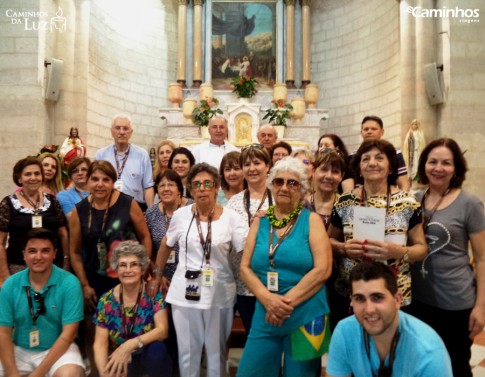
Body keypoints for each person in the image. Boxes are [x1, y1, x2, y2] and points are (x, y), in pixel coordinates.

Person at [236, 157, 332, 377]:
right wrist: (268, 300)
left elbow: (323, 270)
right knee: (251, 372)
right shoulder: (259, 222)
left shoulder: (313, 220)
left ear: (304, 190)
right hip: (267, 309)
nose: (284, 187)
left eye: (293, 183)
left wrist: (284, 304)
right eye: (279, 181)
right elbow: (245, 267)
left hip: (306, 312)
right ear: (271, 186)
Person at [153, 163, 248, 377]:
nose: (202, 188)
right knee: (187, 352)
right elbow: (166, 245)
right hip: (184, 292)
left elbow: (246, 251)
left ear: (216, 188)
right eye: (197, 184)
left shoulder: (232, 218)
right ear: (190, 189)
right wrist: (157, 276)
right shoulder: (181, 215)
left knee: (217, 353)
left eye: (207, 183)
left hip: (220, 293)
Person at [328, 139, 427, 329]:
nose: (372, 163)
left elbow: (421, 249)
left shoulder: (408, 203)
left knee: (391, 351)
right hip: (352, 290)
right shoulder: (345, 201)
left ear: (390, 167)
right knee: (353, 348)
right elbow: (328, 240)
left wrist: (397, 251)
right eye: (366, 159)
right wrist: (343, 248)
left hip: (394, 291)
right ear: (359, 168)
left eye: (379, 158)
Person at [69, 160, 152, 377]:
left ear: (113, 182)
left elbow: (145, 236)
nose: (100, 184)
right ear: (87, 181)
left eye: (106, 180)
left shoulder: (127, 203)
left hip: (126, 279)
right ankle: (99, 373)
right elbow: (75, 252)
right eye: (95, 179)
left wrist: (143, 270)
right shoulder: (80, 211)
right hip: (94, 282)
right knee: (92, 331)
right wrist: (84, 285)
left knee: (124, 329)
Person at [410, 138, 485, 377]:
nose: (438, 168)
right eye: (432, 161)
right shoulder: (414, 200)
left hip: (454, 301)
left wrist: (481, 307)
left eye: (446, 163)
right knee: (421, 362)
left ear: (456, 169)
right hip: (416, 299)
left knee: (454, 364)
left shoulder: (469, 204)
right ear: (423, 166)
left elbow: (482, 258)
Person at [325, 261, 452, 377]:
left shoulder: (428, 351)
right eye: (360, 299)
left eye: (377, 297)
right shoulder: (344, 331)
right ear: (351, 301)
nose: (369, 309)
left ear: (397, 300)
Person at [0, 228, 85, 377]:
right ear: (24, 255)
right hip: (19, 349)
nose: (38, 257)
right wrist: (12, 373)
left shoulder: (70, 283)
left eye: (45, 251)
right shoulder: (10, 284)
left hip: (58, 348)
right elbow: (3, 332)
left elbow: (68, 335)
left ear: (54, 254)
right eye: (32, 251)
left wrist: (38, 374)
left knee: (70, 374)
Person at [93, 241, 172, 377]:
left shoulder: (152, 293)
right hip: (120, 359)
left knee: (157, 350)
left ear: (142, 269)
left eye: (134, 264)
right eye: (123, 265)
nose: (128, 270)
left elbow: (162, 330)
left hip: (148, 356)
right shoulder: (106, 301)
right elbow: (99, 344)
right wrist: (104, 373)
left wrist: (129, 345)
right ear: (116, 270)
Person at [0, 157, 70, 286]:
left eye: (37, 173)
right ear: (19, 178)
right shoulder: (7, 203)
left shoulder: (52, 201)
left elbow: (63, 234)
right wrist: (4, 274)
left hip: (51, 265)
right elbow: (0, 242)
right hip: (18, 267)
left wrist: (66, 262)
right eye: (28, 174)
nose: (33, 177)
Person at [226, 144, 273, 332]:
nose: (252, 168)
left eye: (257, 163)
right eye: (246, 164)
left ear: (267, 166)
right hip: (243, 281)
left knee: (271, 335)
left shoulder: (277, 198)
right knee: (252, 335)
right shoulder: (234, 202)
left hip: (271, 279)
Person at [95, 114, 154, 211]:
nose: (121, 132)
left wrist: (151, 212)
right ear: (112, 132)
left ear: (131, 132)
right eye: (117, 128)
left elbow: (148, 187)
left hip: (136, 207)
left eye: (125, 128)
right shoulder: (101, 155)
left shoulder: (142, 155)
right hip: (107, 206)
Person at [145, 170, 193, 274]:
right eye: (162, 186)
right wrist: (157, 274)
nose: (166, 189)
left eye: (171, 185)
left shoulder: (192, 208)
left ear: (179, 189)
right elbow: (149, 250)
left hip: (190, 273)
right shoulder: (151, 213)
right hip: (162, 276)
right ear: (157, 191)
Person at [357, 115, 410, 191]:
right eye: (366, 129)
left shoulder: (395, 153)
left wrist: (403, 200)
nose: (369, 131)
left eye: (373, 129)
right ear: (361, 132)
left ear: (382, 132)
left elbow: (403, 183)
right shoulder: (353, 156)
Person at [402, 119, 426, 187]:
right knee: (410, 168)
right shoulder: (409, 134)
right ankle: (410, 183)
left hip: (417, 152)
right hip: (410, 154)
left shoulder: (420, 134)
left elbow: (422, 143)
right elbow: (406, 144)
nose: (414, 126)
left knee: (417, 166)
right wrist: (410, 139)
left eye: (415, 124)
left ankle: (417, 182)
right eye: (412, 124)